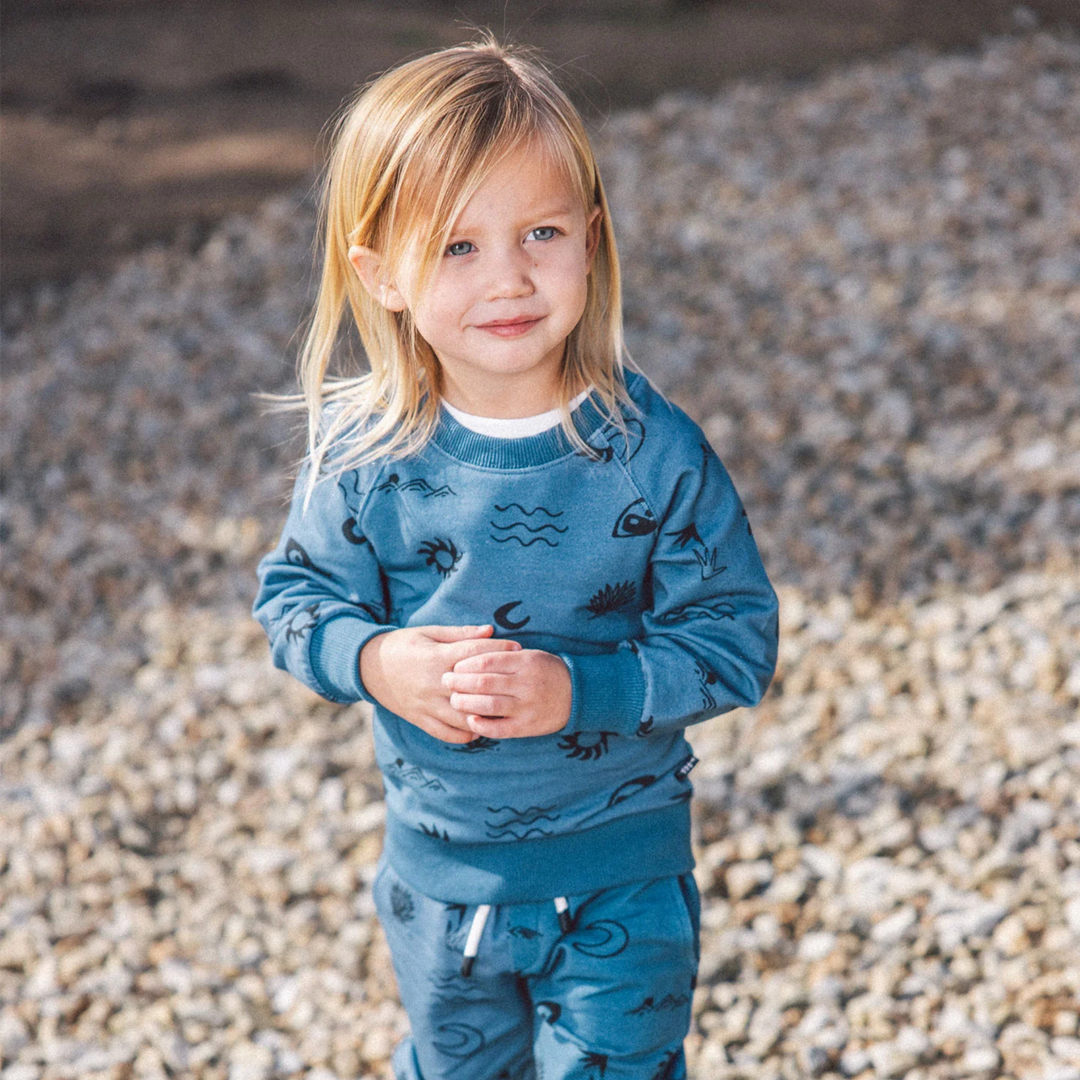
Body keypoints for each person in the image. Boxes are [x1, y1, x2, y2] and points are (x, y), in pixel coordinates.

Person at [253, 35, 778, 1080]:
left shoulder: (649, 451)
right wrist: (377, 664)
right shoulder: (368, 462)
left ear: (591, 239)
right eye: (457, 247)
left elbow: (736, 639)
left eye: (540, 232)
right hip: (438, 879)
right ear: (381, 275)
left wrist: (578, 691)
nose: (509, 278)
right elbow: (292, 599)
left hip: (619, 875)